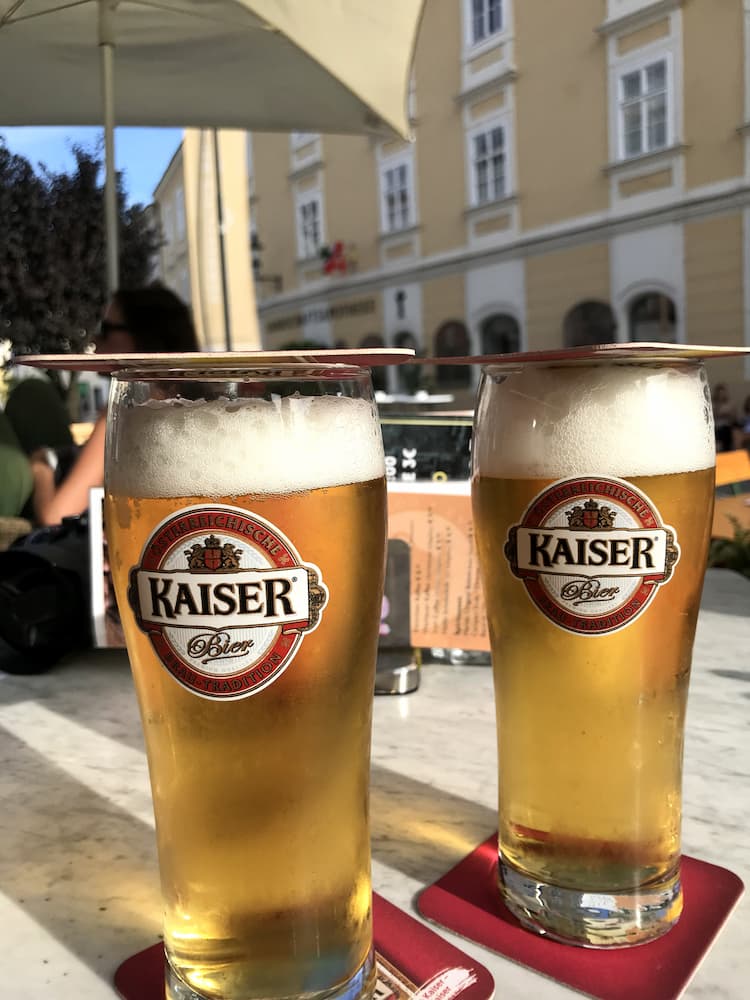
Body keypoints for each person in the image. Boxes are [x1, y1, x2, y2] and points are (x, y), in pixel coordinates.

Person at [8, 285, 198, 526]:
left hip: (77, 536)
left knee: (31, 393)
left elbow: (56, 515)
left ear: (144, 337)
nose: (95, 339)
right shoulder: (192, 408)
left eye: (106, 330)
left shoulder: (128, 412)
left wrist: (41, 469)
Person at [711, 382, 739, 453]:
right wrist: (718, 405)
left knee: (726, 431)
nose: (721, 395)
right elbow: (711, 416)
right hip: (715, 427)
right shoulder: (712, 404)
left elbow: (734, 419)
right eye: (719, 393)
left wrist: (728, 414)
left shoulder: (730, 404)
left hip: (726, 427)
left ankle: (725, 450)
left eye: (723, 393)